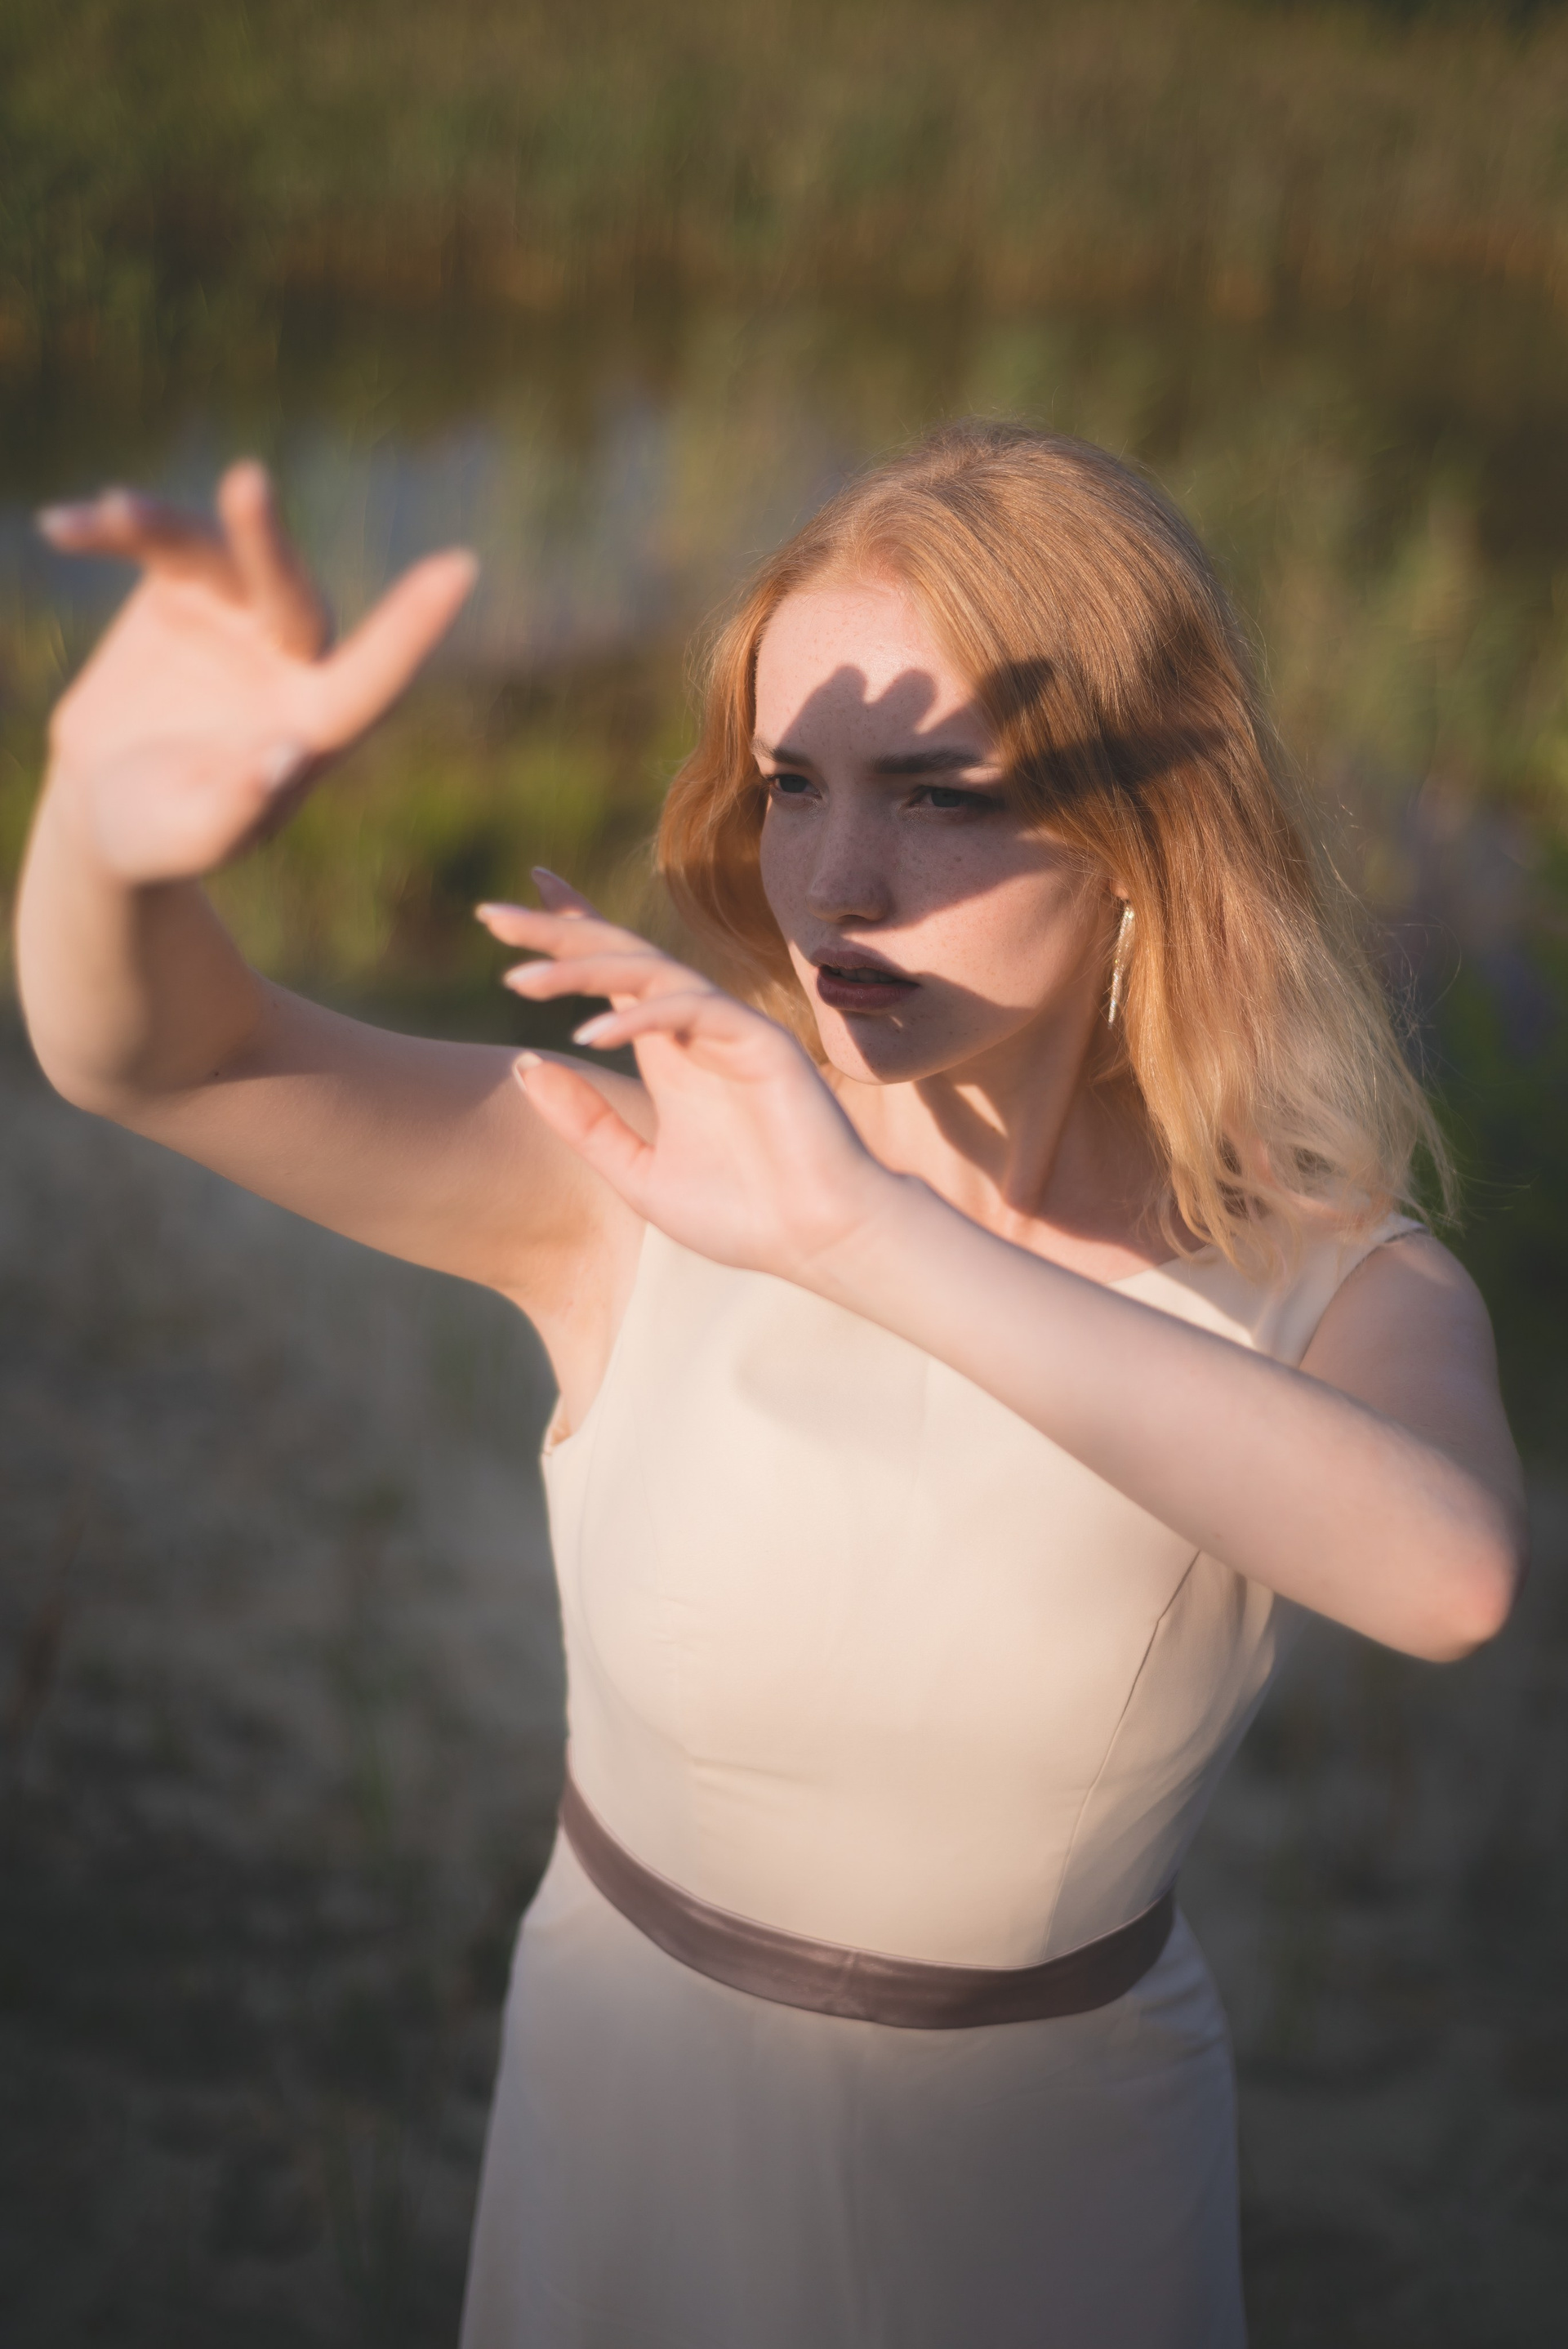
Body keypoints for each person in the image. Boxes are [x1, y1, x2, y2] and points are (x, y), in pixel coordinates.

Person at [16, 421, 1524, 2348]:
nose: (835, 880)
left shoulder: (1333, 1281)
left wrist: (864, 1237)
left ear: (1151, 828)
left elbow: (1450, 1574)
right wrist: (95, 832)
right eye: (794, 784)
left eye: (940, 794)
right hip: (620, 2138)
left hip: (1046, 2206)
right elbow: (155, 1055)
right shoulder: (640, 1177)